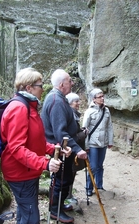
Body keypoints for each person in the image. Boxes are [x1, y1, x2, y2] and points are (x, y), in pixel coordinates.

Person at [0, 67, 64, 224]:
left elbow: (36, 142)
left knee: (25, 213)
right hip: (20, 173)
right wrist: (45, 163)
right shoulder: (19, 108)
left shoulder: (30, 107)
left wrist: (55, 150)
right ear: (28, 87)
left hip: (28, 171)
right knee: (31, 218)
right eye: (40, 85)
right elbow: (16, 148)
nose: (43, 89)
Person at [41, 69, 87, 223]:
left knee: (65, 179)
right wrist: (77, 149)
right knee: (60, 180)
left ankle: (59, 205)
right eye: (69, 80)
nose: (72, 83)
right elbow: (61, 133)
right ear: (62, 84)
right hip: (60, 150)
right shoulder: (56, 101)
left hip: (63, 149)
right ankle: (55, 211)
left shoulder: (59, 98)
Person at [82, 88, 114, 196]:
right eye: (99, 97)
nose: (102, 98)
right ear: (94, 99)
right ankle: (89, 187)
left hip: (103, 142)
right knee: (93, 166)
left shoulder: (107, 110)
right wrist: (86, 145)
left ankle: (99, 186)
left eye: (102, 96)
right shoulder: (89, 112)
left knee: (100, 165)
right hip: (92, 143)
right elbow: (84, 130)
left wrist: (110, 141)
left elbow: (109, 127)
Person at [65, 93, 88, 206]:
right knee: (70, 173)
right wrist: (83, 134)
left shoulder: (73, 115)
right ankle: (67, 196)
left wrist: (81, 131)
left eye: (79, 101)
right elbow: (71, 135)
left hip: (73, 150)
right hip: (71, 151)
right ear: (70, 103)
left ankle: (68, 195)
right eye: (76, 101)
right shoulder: (70, 116)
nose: (79, 103)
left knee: (71, 173)